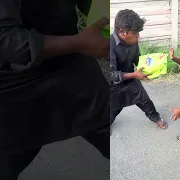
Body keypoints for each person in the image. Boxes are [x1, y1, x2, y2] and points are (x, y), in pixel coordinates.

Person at [0, 0, 110, 179]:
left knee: (114, 129)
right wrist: (78, 43)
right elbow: (4, 40)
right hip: (13, 85)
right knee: (8, 163)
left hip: (70, 65)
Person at [110, 9, 167, 130]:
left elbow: (138, 59)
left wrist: (155, 61)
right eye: (135, 33)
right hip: (113, 86)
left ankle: (156, 118)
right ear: (122, 31)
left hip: (131, 79)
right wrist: (134, 75)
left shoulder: (132, 40)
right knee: (113, 108)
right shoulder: (109, 45)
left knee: (144, 100)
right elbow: (111, 74)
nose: (138, 36)